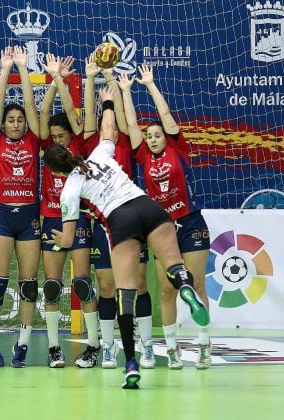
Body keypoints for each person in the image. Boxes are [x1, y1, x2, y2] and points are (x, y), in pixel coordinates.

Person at [44, 85, 209, 389]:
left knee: (125, 294)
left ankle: (131, 365)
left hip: (120, 222)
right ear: (70, 153)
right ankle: (186, 287)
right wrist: (107, 100)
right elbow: (109, 127)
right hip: (149, 207)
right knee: (175, 266)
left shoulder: (69, 189)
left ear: (56, 171)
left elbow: (68, 239)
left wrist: (58, 238)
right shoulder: (99, 154)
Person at [118, 64, 213, 370]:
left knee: (197, 286)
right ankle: (171, 349)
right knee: (167, 288)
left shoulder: (177, 148)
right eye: (150, 136)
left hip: (191, 223)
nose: (153, 138)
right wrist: (126, 91)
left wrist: (149, 84)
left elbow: (167, 117)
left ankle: (203, 346)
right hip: (161, 230)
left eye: (158, 134)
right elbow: (132, 125)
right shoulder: (143, 155)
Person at [83, 59, 156, 370]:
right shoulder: (90, 142)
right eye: (104, 122)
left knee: (139, 284)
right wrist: (89, 79)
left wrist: (113, 78)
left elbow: (123, 118)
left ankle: (148, 347)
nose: (107, 126)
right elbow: (91, 114)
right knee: (108, 286)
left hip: (129, 219)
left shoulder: (125, 139)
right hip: (102, 222)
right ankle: (109, 346)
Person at [38, 54, 101, 368]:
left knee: (82, 283)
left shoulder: (79, 146)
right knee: (51, 286)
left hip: (78, 219)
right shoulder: (45, 145)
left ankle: (92, 345)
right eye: (54, 137)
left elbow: (76, 116)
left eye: (62, 136)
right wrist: (53, 78)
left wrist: (64, 83)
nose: (57, 141)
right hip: (51, 217)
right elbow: (46, 112)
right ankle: (53, 348)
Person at [0, 46, 41, 368]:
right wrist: (4, 71)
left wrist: (23, 68)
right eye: (11, 120)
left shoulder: (33, 140)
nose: (16, 124)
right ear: (4, 124)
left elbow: (31, 104)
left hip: (30, 213)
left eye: (19, 120)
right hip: (2, 214)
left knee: (29, 285)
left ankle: (22, 344)